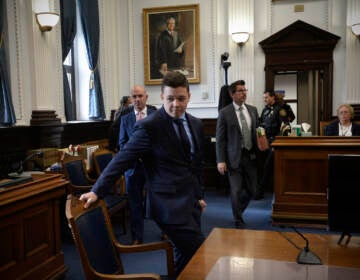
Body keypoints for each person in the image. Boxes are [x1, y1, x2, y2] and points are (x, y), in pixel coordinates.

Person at [79, 71, 206, 275]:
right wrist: (97, 191)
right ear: (162, 97)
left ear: (189, 96)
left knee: (184, 257)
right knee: (202, 251)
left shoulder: (196, 124)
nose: (176, 104)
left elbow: (196, 164)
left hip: (192, 204)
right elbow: (122, 159)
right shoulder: (149, 126)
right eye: (170, 98)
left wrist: (200, 195)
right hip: (167, 207)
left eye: (181, 98)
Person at [216, 80, 259, 228]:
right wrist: (220, 160)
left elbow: (257, 132)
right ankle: (238, 219)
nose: (244, 93)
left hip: (251, 157)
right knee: (236, 190)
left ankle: (237, 209)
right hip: (233, 158)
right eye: (240, 91)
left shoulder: (253, 110)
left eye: (244, 90)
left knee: (253, 190)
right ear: (232, 94)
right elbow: (220, 140)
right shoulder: (225, 113)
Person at [119, 85, 156, 245]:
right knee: (135, 204)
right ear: (131, 99)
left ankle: (167, 232)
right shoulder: (125, 119)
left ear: (146, 97)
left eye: (140, 96)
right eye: (134, 96)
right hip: (133, 168)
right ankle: (137, 237)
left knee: (159, 200)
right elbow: (122, 143)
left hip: (154, 167)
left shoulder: (156, 115)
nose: (137, 99)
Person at [257, 90, 295, 198]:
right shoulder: (265, 110)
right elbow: (261, 126)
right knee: (261, 164)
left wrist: (277, 143)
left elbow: (286, 126)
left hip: (276, 142)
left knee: (268, 165)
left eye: (266, 97)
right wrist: (261, 141)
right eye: (264, 98)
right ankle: (262, 188)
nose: (265, 100)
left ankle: (261, 190)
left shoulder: (281, 109)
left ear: (273, 97)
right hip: (265, 141)